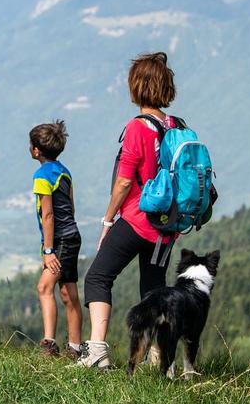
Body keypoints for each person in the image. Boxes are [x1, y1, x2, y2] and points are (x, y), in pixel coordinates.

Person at [77, 52, 180, 368]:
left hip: (137, 219)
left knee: (97, 277)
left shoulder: (138, 128)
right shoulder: (176, 126)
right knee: (154, 287)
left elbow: (124, 182)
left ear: (137, 86)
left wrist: (108, 220)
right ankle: (159, 357)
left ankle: (96, 353)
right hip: (167, 227)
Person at [29, 120, 83, 359]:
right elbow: (70, 207)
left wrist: (49, 250)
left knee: (44, 287)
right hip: (72, 236)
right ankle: (75, 347)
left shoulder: (41, 176)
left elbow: (48, 214)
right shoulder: (64, 171)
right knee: (68, 293)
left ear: (36, 150)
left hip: (59, 240)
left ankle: (49, 344)